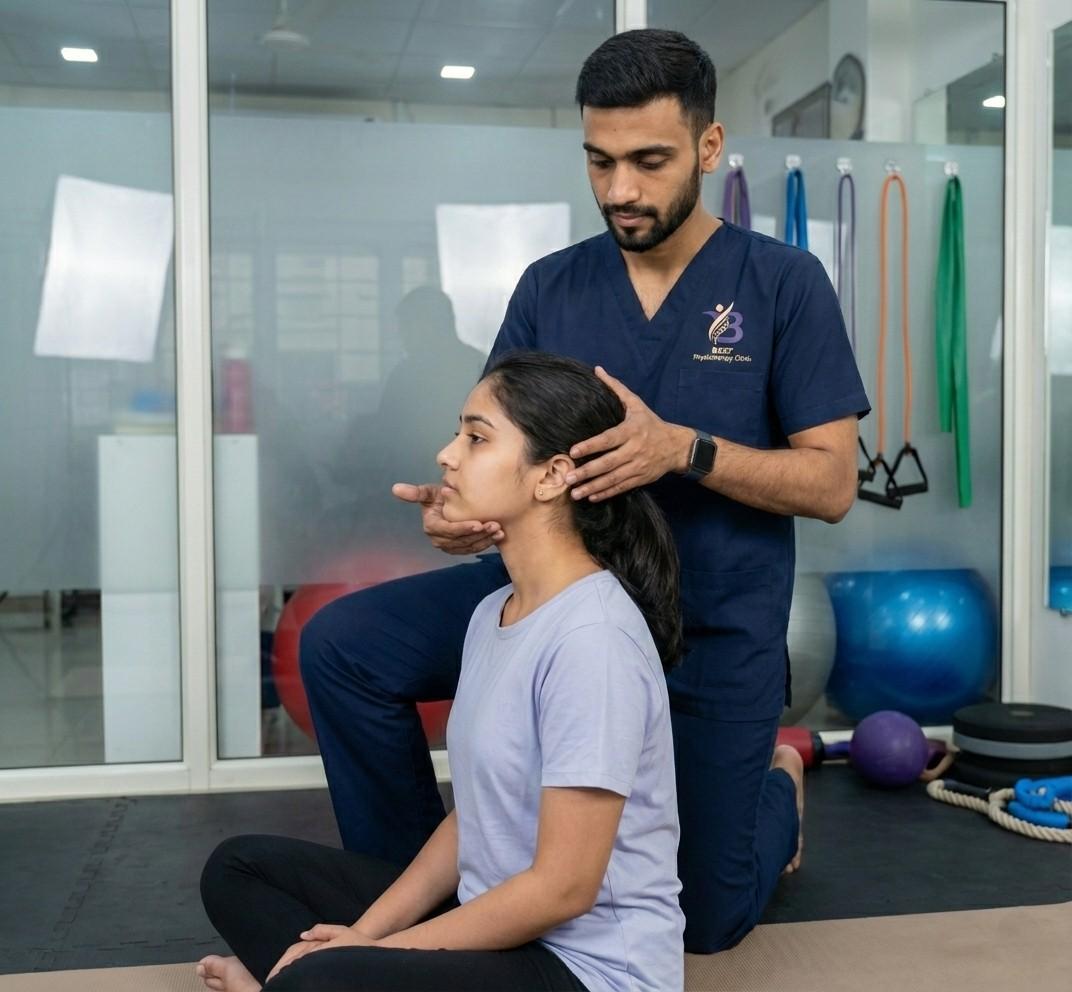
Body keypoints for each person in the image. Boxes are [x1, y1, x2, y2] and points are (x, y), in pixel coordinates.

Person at [301, 28, 870, 953]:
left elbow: (834, 482)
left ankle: (779, 789)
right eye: (599, 162)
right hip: (548, 603)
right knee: (344, 647)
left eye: (649, 161)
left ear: (710, 148)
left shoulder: (782, 286)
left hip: (708, 625)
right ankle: (431, 906)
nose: (620, 191)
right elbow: (499, 447)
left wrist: (683, 450)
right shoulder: (551, 286)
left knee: (710, 922)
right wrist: (471, 516)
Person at [198, 353, 685, 992]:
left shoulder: (593, 642)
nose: (447, 454)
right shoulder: (494, 612)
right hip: (494, 921)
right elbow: (473, 819)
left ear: (552, 476)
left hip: (586, 969)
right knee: (237, 869)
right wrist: (365, 937)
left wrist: (381, 955)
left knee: (318, 980)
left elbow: (562, 890)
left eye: (476, 439)